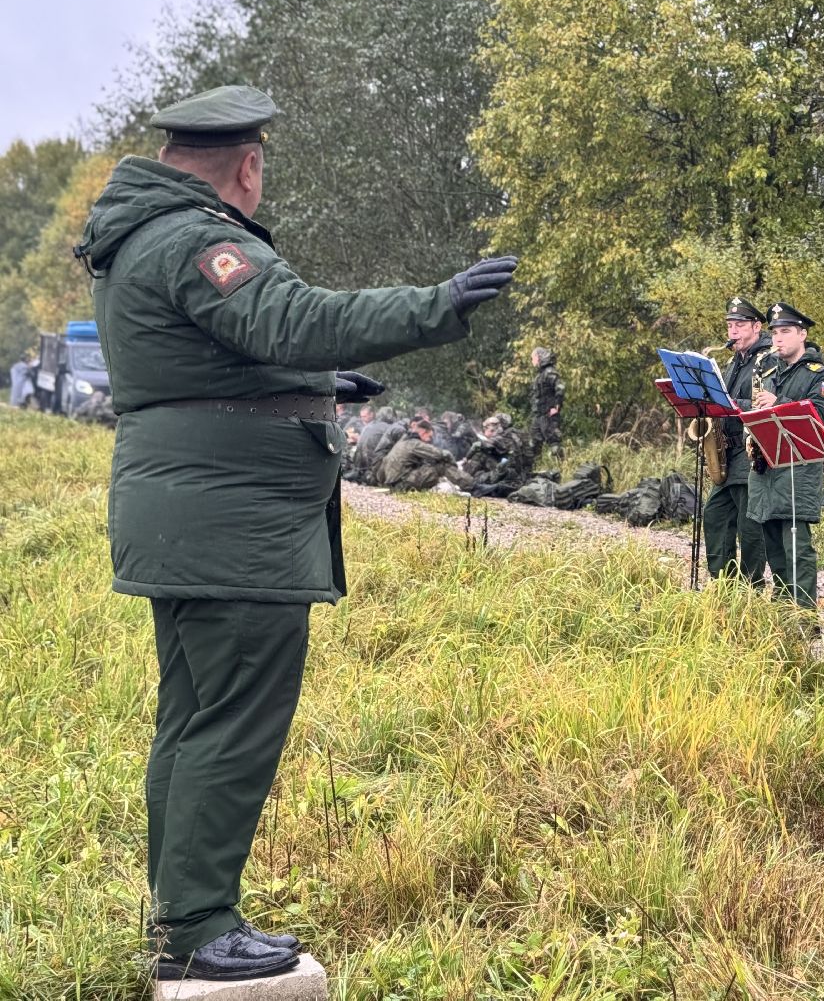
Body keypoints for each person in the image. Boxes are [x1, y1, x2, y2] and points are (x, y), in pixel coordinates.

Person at [74, 84, 518, 981]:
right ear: (247, 165)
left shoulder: (143, 238)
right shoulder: (202, 238)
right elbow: (295, 315)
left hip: (190, 515)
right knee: (232, 725)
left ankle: (180, 920)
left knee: (194, 721)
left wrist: (317, 382)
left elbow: (215, 358)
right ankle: (199, 929)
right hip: (232, 526)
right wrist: (438, 303)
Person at [745, 302, 824, 609]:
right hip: (766, 466)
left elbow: (823, 416)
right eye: (775, 333)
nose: (778, 339)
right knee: (773, 544)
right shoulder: (770, 370)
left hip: (798, 468)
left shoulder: (819, 374)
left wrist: (778, 401)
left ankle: (804, 614)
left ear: (802, 334)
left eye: (785, 332)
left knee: (796, 545)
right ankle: (783, 607)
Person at [702, 297, 773, 586]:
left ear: (756, 326)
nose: (733, 331)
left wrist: (730, 403)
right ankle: (723, 584)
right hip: (728, 450)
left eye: (740, 325)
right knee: (715, 514)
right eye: (730, 325)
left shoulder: (766, 359)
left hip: (750, 448)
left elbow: (763, 404)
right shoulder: (734, 360)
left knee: (749, 524)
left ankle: (751, 586)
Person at [376, 418, 475, 491]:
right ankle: (472, 486)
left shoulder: (404, 440)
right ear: (423, 432)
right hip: (402, 485)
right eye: (430, 436)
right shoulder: (415, 444)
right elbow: (442, 454)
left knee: (430, 467)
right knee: (442, 466)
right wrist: (454, 465)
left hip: (394, 484)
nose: (430, 440)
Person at [465, 412, 534, 496]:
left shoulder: (503, 437)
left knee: (481, 454)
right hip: (522, 474)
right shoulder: (517, 434)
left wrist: (466, 458)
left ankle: (466, 478)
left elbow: (477, 446)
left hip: (509, 474)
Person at [530, 346, 565, 456]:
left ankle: (563, 467)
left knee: (554, 443)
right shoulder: (539, 375)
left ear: (539, 357)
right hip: (539, 415)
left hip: (548, 414)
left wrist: (556, 407)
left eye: (533, 358)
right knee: (533, 444)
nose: (532, 361)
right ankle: (534, 469)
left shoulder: (549, 372)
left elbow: (560, 388)